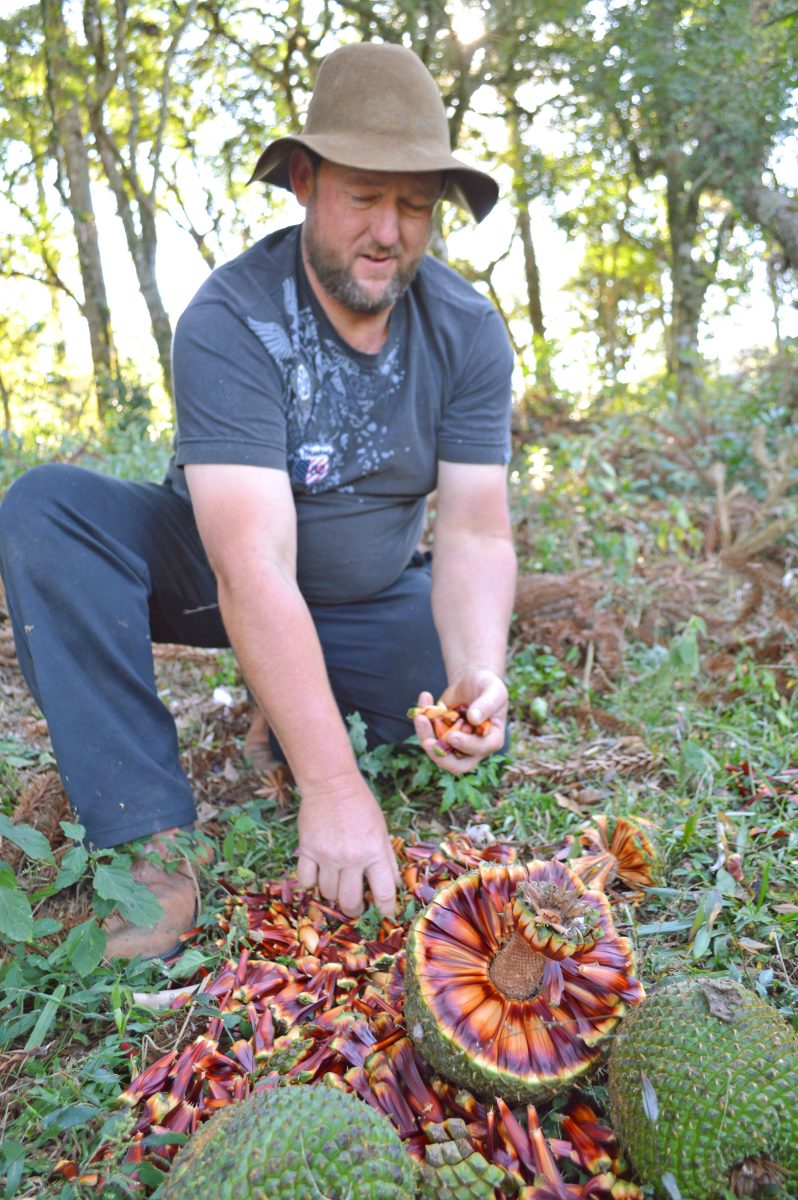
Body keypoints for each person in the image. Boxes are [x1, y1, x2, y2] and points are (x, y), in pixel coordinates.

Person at [0, 41, 516, 959]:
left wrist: (480, 669)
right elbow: (252, 563)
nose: (389, 231)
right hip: (213, 572)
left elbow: (475, 532)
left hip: (364, 593)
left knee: (436, 704)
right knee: (47, 510)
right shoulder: (231, 319)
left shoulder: (468, 330)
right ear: (305, 181)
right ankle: (150, 845)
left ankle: (283, 711)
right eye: (364, 195)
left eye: (414, 205)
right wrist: (333, 785)